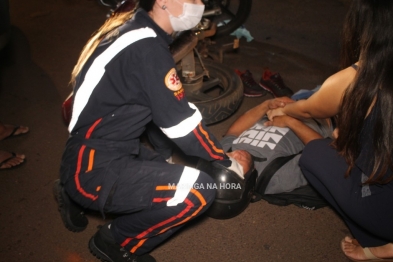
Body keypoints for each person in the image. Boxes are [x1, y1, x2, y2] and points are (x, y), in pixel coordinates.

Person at [54, 1, 249, 261]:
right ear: (163, 1)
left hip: (91, 153)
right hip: (95, 169)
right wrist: (223, 160)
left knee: (170, 170)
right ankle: (116, 241)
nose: (199, 4)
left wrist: (164, 155)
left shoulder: (134, 25)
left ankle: (70, 192)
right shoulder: (149, 49)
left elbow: (150, 108)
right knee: (199, 189)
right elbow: (183, 126)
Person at [267, 0, 393, 260]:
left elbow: (310, 110)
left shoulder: (354, 78)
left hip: (383, 213)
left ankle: (372, 238)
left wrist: (286, 112)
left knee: (313, 155)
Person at [221, 97, 333, 195]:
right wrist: (289, 121)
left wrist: (266, 105)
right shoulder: (277, 177)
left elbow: (233, 132)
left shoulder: (222, 154)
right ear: (247, 182)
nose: (235, 155)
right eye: (237, 166)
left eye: (228, 159)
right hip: (324, 115)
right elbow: (323, 154)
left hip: (291, 104)